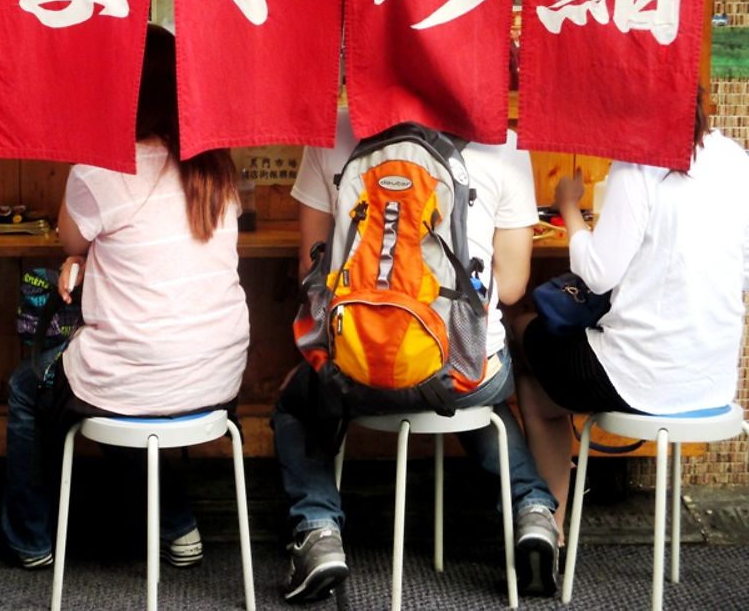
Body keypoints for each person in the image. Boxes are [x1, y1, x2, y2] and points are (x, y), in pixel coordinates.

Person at [274, 105, 561, 603]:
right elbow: (511, 288)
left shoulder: (333, 130)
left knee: (295, 401)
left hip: (357, 375)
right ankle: (533, 511)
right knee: (479, 389)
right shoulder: (505, 142)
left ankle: (318, 532)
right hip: (463, 371)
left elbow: (311, 266)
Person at [1, 23, 250, 570]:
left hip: (134, 378)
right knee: (131, 378)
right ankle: (177, 523)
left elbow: (70, 238)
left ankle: (29, 539)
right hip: (219, 378)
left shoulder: (101, 168)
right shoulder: (216, 168)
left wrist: (81, 254)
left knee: (30, 386)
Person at [515, 91, 749, 541]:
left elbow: (598, 274)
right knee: (544, 376)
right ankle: (549, 524)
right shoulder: (736, 159)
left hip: (638, 380)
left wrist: (568, 206)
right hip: (712, 381)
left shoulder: (640, 162)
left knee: (524, 330)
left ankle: (551, 526)